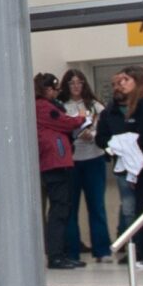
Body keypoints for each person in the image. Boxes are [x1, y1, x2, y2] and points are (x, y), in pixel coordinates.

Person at [97, 67, 143, 265]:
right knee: (129, 210)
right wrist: (117, 146)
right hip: (125, 168)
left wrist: (127, 143)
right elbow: (102, 138)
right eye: (117, 82)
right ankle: (137, 250)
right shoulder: (110, 110)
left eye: (126, 80)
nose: (121, 85)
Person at [33, 72, 93, 270]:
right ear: (48, 89)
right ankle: (56, 255)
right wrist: (82, 118)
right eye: (55, 89)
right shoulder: (43, 107)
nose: (57, 93)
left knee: (62, 209)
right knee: (59, 209)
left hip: (56, 162)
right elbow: (65, 122)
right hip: (54, 163)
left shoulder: (44, 106)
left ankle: (60, 253)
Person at [59, 68, 112, 261]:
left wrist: (95, 135)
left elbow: (107, 128)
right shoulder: (61, 106)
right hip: (71, 161)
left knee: (97, 206)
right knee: (71, 208)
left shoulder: (96, 105)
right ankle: (73, 252)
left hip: (94, 158)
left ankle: (102, 250)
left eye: (79, 82)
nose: (76, 86)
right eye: (72, 82)